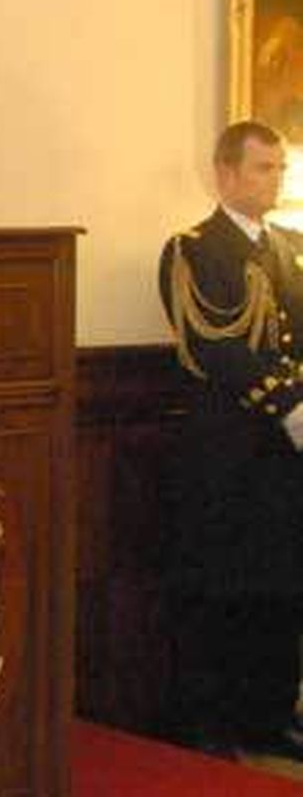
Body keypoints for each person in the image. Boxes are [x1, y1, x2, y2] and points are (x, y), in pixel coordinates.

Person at [159, 120, 303, 760]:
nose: (275, 179)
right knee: (221, 585)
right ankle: (211, 722)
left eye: (278, 168)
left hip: (284, 458)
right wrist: (290, 404)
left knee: (282, 585)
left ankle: (268, 714)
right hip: (228, 452)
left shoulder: (293, 247)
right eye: (261, 168)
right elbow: (213, 344)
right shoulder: (194, 249)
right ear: (225, 174)